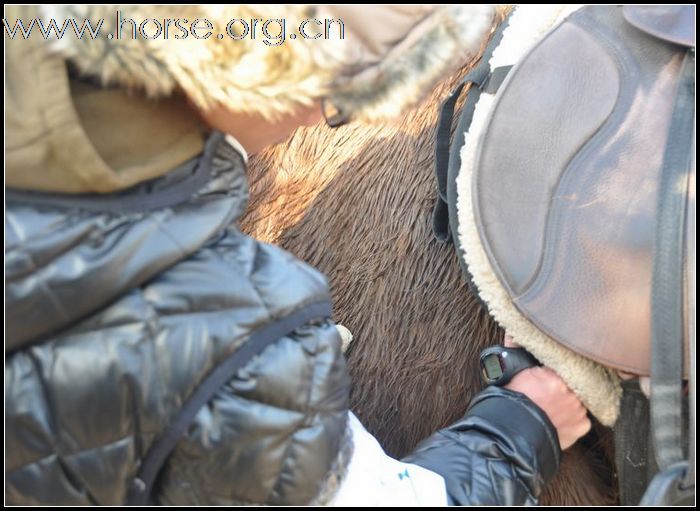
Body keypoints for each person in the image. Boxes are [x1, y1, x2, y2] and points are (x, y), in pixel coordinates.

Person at [5, 4, 590, 506]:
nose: (326, 116)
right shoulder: (233, 334)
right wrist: (519, 425)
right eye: (338, 96)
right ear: (262, 78)